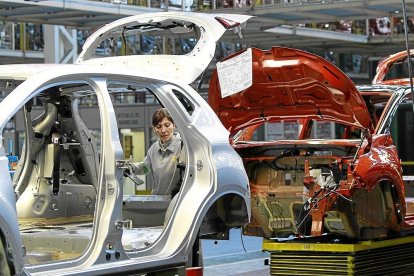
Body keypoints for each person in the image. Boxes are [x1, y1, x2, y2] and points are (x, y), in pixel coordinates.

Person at [130, 108, 185, 196]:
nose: (163, 130)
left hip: (177, 201)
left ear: (174, 125)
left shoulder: (183, 146)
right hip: (157, 200)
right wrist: (130, 168)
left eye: (167, 125)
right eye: (159, 127)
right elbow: (146, 167)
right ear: (154, 129)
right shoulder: (154, 149)